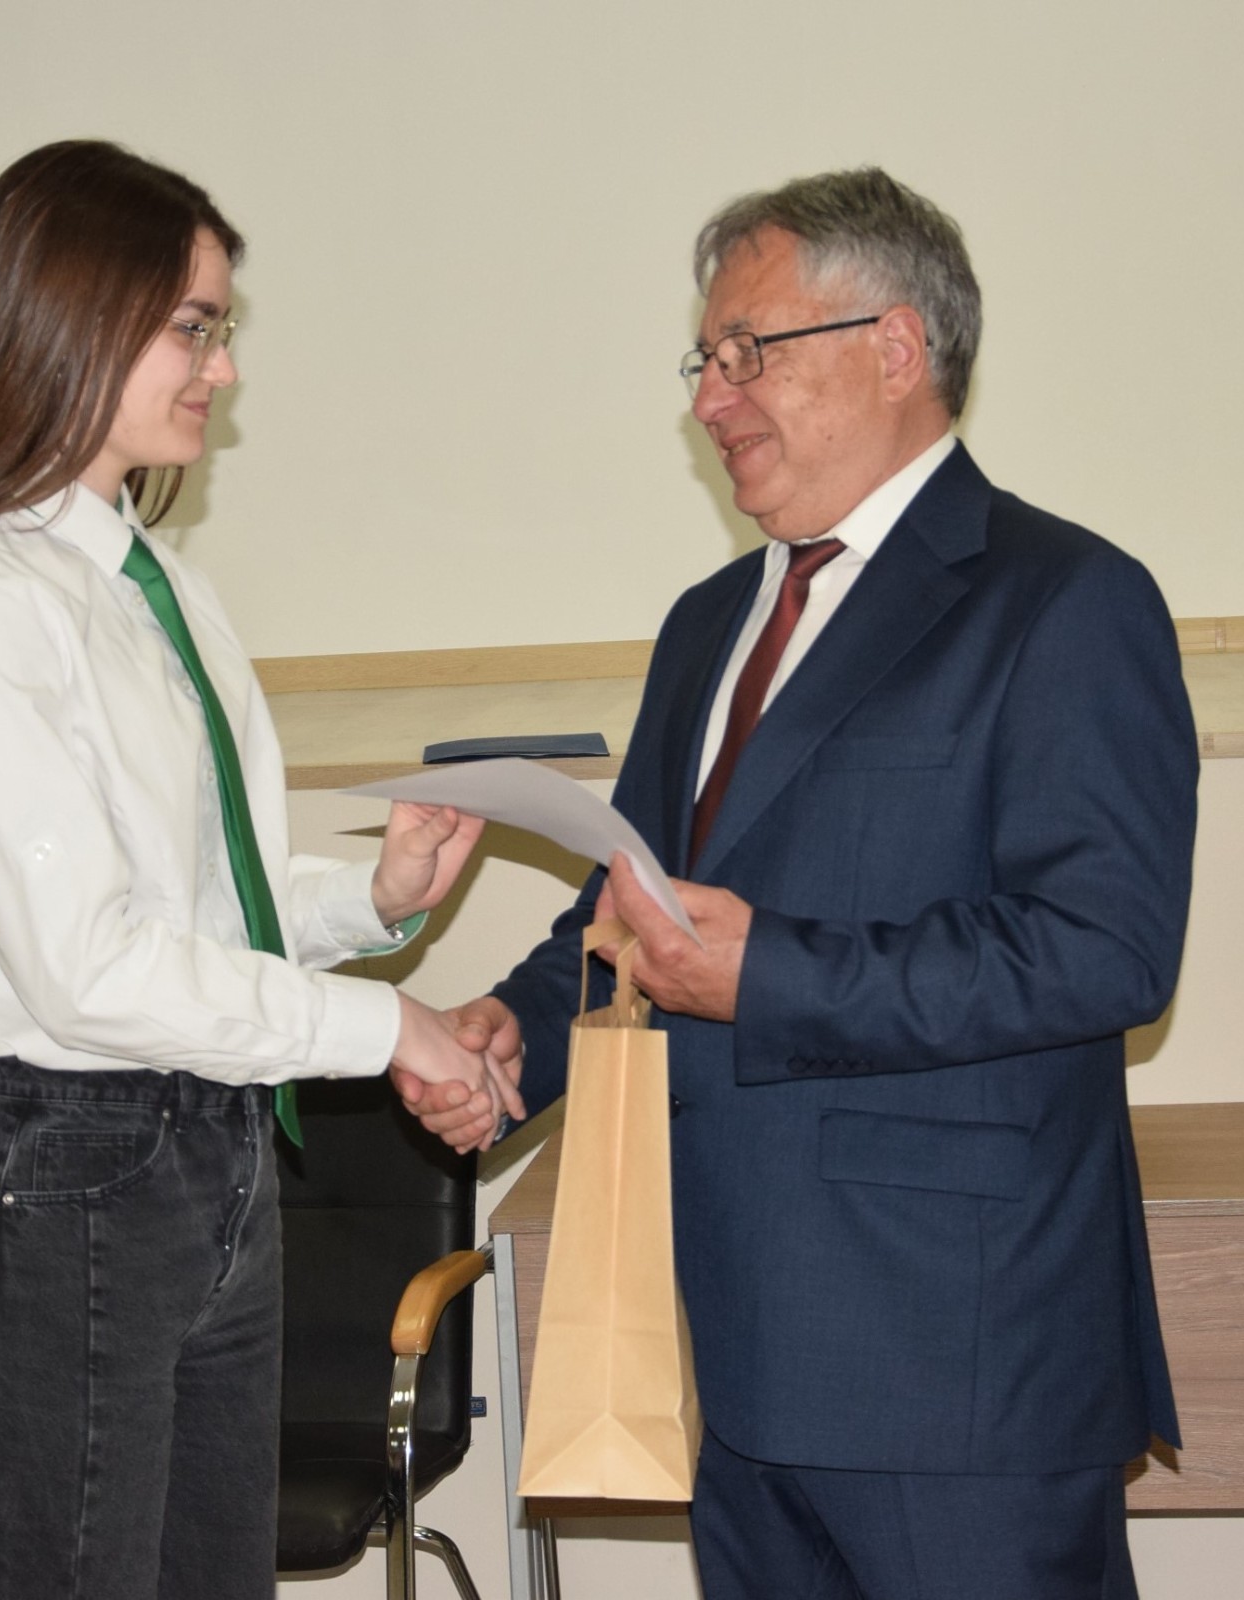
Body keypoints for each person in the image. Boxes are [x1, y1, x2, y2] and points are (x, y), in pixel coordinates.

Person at [396, 168, 1197, 1599]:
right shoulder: (709, 621)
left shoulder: (1065, 599)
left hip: (963, 1372)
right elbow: (633, 910)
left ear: (895, 346)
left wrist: (768, 975)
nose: (711, 399)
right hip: (737, 1359)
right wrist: (517, 1037)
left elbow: (1104, 948)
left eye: (748, 351)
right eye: (704, 360)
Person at [0, 140, 520, 1600]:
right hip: (60, 1175)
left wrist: (367, 903)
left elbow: (190, 904)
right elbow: (87, 970)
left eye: (224, 329)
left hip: (209, 1166)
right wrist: (389, 1026)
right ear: (71, 315)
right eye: (193, 327)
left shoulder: (158, 589)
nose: (224, 368)